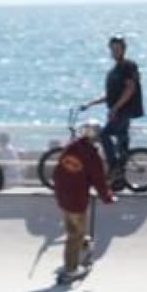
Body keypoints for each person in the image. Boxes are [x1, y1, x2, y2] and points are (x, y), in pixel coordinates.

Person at [50, 120, 114, 283]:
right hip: (77, 200)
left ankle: (84, 245)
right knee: (75, 235)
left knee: (73, 228)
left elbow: (58, 171)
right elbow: (99, 180)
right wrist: (107, 197)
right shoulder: (92, 156)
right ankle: (70, 269)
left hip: (63, 197)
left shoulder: (70, 148)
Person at [82, 35, 142, 179]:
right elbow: (111, 95)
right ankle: (119, 176)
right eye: (112, 49)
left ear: (123, 50)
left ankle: (114, 167)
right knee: (121, 142)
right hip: (118, 110)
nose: (115, 52)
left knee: (104, 135)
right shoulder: (113, 71)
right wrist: (91, 103)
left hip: (125, 110)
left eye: (117, 49)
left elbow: (130, 89)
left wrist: (115, 108)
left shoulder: (128, 66)